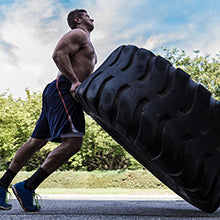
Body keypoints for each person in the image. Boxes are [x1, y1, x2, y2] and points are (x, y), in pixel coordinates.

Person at [0, 9, 96, 212]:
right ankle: (27, 187)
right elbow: (58, 54)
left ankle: (1, 185)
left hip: (58, 91)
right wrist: (74, 81)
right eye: (87, 15)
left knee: (37, 141)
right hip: (63, 89)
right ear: (77, 19)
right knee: (73, 143)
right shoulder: (78, 34)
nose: (92, 18)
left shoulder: (85, 40)